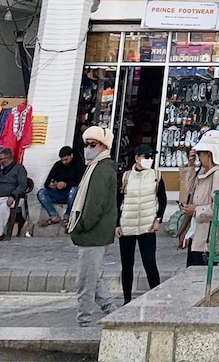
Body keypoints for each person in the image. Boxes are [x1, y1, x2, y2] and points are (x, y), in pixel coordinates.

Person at [68, 127, 118, 327]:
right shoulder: (95, 167)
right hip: (93, 233)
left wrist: (79, 226)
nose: (88, 148)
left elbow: (94, 205)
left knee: (85, 281)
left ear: (104, 146)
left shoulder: (100, 169)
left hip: (92, 233)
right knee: (93, 277)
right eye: (86, 144)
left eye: (93, 144)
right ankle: (112, 311)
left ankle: (84, 322)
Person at [180, 129, 219, 267]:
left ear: (210, 153)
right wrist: (190, 165)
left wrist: (197, 210)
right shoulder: (204, 171)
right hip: (198, 235)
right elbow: (191, 188)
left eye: (200, 153)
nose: (199, 156)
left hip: (208, 239)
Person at [116, 145, 166, 305]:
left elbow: (163, 199)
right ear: (137, 158)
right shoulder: (125, 176)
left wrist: (158, 219)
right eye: (146, 156)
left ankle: (156, 296)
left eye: (151, 157)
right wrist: (117, 224)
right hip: (127, 225)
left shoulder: (156, 176)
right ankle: (127, 299)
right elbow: (118, 201)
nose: (149, 160)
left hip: (147, 226)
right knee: (127, 264)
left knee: (150, 262)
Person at [37, 146, 84, 228]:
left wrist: (66, 184)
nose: (64, 162)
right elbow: (47, 182)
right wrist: (51, 185)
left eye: (66, 159)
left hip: (72, 195)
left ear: (71, 155)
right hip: (58, 194)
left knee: (74, 190)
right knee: (41, 192)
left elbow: (80, 182)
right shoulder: (58, 165)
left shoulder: (78, 165)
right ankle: (54, 215)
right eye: (62, 160)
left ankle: (67, 216)